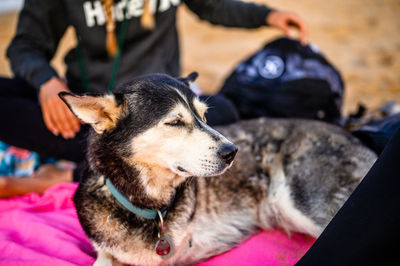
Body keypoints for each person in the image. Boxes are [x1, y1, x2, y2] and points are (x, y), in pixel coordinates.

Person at [0, 0, 308, 197]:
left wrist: (268, 15)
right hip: (98, 111)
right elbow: (24, 47)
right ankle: (94, 163)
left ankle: (67, 175)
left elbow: (213, 5)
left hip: (163, 108)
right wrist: (47, 84)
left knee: (223, 111)